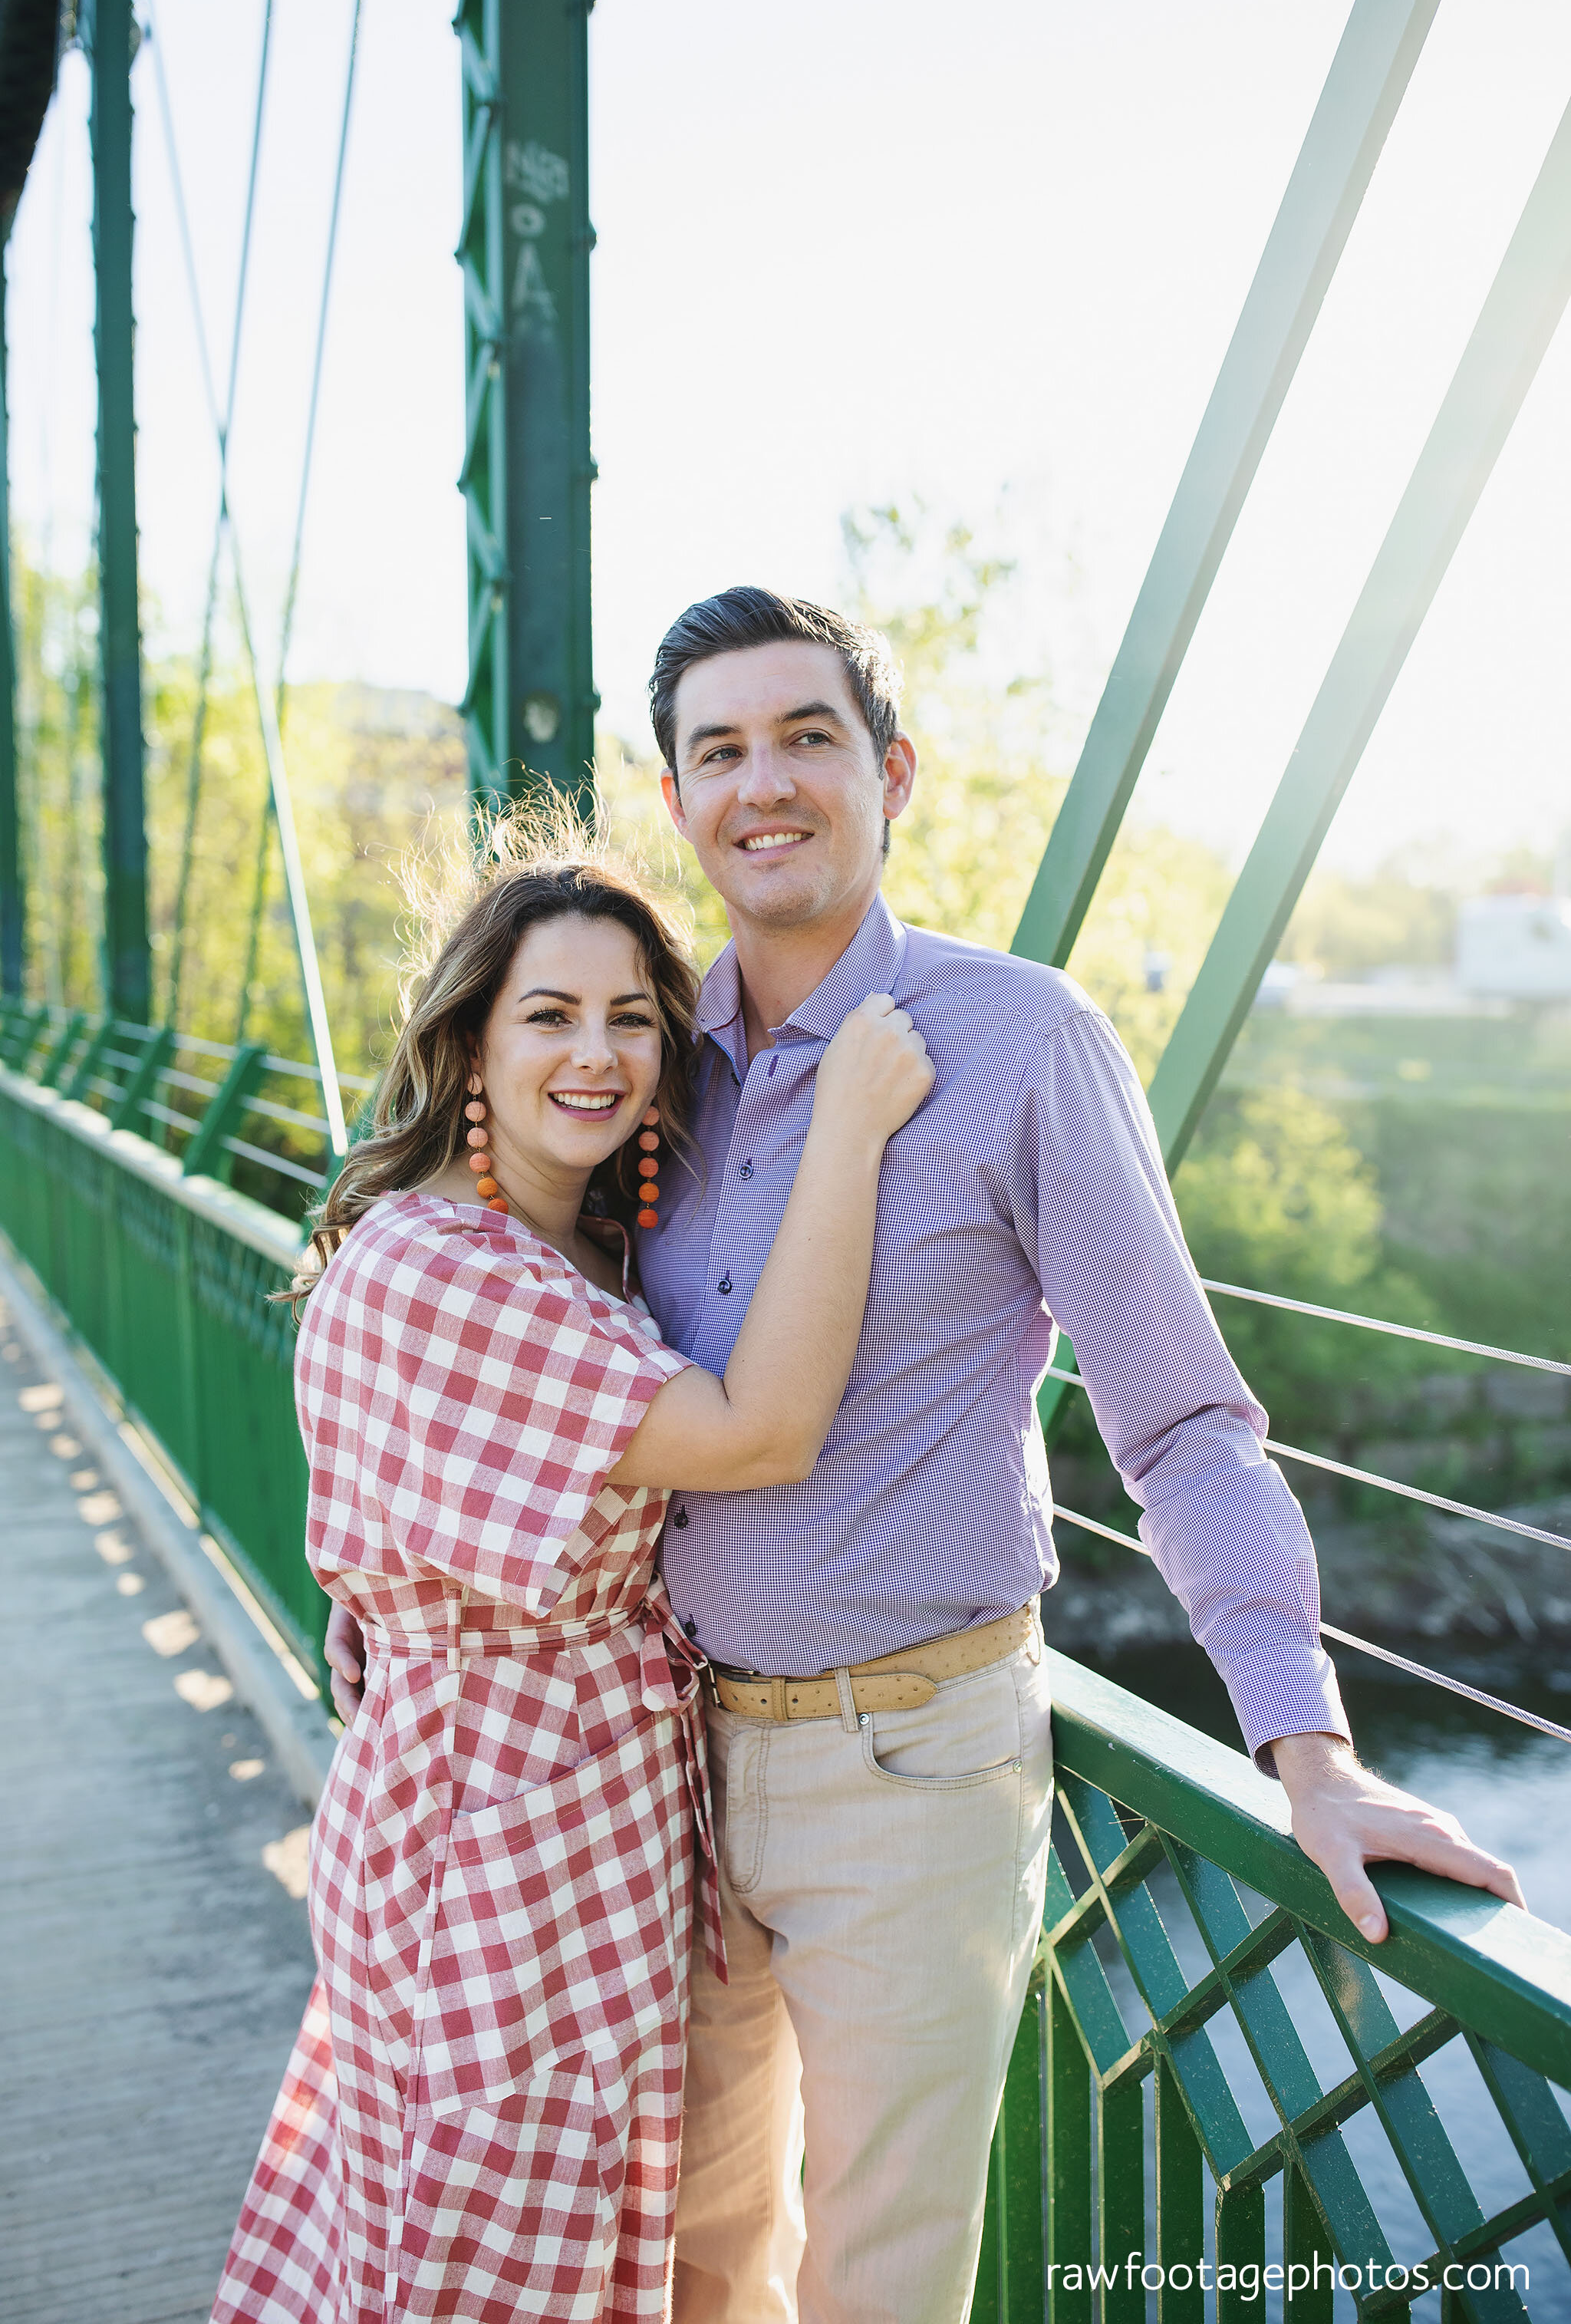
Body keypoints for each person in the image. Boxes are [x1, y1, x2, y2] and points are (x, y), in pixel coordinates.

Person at [328, 589, 1524, 2324]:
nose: (766, 785)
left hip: (911, 1766)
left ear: (891, 772)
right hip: (653, 1779)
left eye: (808, 738)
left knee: (877, 2282)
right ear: (673, 800)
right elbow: (513, 1353)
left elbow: (1183, 1422)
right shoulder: (647, 1069)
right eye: (718, 750)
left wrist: (1310, 1746)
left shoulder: (1023, 1043)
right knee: (693, 2266)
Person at [211, 822, 934, 2324]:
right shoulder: (449, 1266)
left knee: (588, 2231)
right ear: (470, 1043)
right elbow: (763, 1430)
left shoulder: (588, 1248)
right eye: (548, 1015)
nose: (596, 1055)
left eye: (631, 1019)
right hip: (490, 1825)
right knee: (481, 2236)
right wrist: (851, 1123)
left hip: (588, 1804)